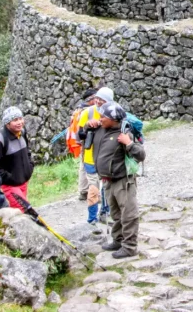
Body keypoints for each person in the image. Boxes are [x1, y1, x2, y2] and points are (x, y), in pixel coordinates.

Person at [91, 102, 145, 259]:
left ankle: (129, 246)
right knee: (115, 213)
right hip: (108, 180)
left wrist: (128, 144)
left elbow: (141, 155)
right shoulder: (101, 129)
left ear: (113, 119)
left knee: (128, 214)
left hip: (123, 181)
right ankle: (118, 240)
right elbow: (81, 137)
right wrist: (88, 126)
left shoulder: (124, 133)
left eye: (103, 117)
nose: (100, 118)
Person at [78, 87, 114, 225]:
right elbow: (80, 135)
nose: (98, 101)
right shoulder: (88, 112)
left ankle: (106, 212)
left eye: (102, 99)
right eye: (97, 98)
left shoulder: (113, 113)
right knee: (93, 188)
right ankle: (92, 218)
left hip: (106, 156)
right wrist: (87, 126)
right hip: (90, 157)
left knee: (106, 186)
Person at [0, 107, 34, 212]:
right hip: (9, 186)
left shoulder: (22, 133)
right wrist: (9, 178)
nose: (19, 122)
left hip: (23, 182)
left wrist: (30, 167)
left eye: (20, 118)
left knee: (22, 212)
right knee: (24, 211)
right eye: (15, 120)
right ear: (7, 123)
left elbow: (27, 152)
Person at [67, 88, 96, 201]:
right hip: (86, 141)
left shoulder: (79, 109)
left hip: (81, 141)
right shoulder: (87, 111)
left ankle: (83, 190)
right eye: (96, 98)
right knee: (86, 165)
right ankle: (85, 191)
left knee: (83, 165)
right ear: (91, 99)